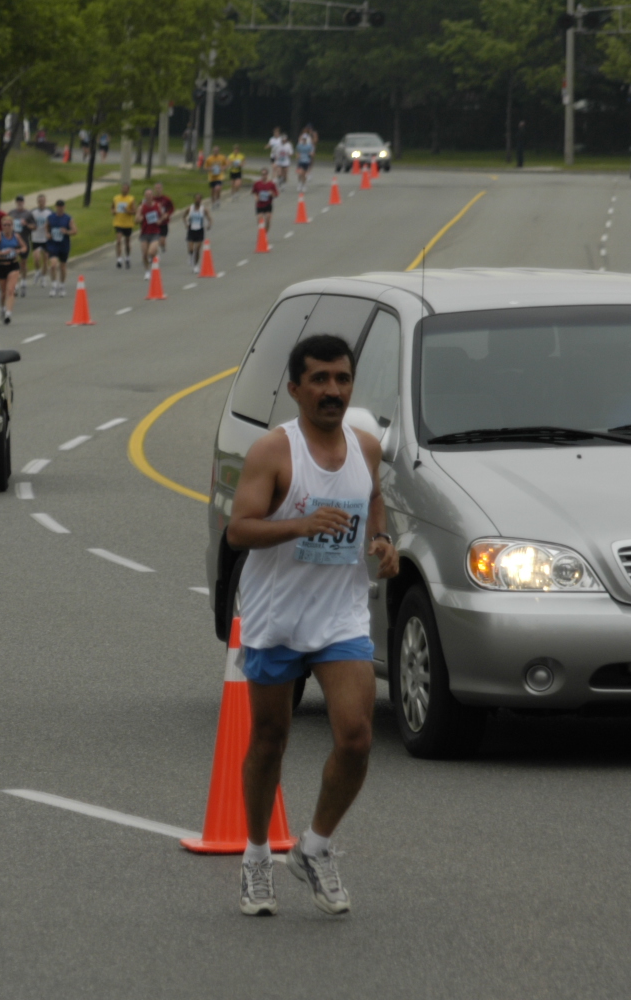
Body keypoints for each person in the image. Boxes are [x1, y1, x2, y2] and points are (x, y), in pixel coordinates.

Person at [224, 333, 399, 917]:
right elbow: (238, 530)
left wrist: (381, 539)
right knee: (271, 740)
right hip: (277, 613)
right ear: (296, 388)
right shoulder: (274, 452)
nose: (333, 391)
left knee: (356, 735)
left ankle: (315, 847)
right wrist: (298, 526)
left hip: (341, 614)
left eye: (342, 379)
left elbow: (372, 499)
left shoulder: (366, 447)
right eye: (320, 380)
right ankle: (254, 857)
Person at [0, 216, 26, 324]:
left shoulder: (16, 236)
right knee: (3, 292)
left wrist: (19, 251)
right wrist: (2, 253)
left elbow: (24, 247)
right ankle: (2, 308)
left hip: (13, 265)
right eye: (5, 225)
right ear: (2, 226)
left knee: (11, 290)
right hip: (1, 265)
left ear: (12, 226)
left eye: (9, 225)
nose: (7, 227)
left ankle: (8, 314)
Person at [44, 199, 77, 297]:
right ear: (56, 207)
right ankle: (54, 285)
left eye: (62, 206)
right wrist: (47, 234)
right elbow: (47, 227)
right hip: (53, 244)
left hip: (64, 244)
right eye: (58, 206)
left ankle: (62, 285)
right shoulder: (51, 217)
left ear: (64, 207)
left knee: (62, 266)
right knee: (53, 265)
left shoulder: (68, 218)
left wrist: (66, 232)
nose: (60, 208)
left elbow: (74, 231)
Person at [7, 196, 35, 296]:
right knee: (13, 262)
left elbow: (34, 226)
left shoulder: (28, 214)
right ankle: (15, 284)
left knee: (23, 262)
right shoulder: (11, 213)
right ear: (16, 202)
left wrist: (26, 224)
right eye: (18, 201)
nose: (20, 203)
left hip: (24, 240)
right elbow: (6, 224)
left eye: (21, 201)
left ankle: (23, 281)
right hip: (13, 241)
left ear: (23, 202)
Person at [183, 194, 212, 273]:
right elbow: (184, 216)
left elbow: (209, 218)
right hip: (191, 230)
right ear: (194, 200)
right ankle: (191, 256)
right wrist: (186, 224)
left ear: (201, 200)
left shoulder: (203, 209)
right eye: (196, 199)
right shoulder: (190, 208)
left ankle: (195, 265)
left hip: (200, 230)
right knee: (191, 249)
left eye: (199, 199)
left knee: (197, 249)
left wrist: (209, 224)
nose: (198, 200)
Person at [138, 188, 163, 279]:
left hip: (155, 232)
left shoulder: (157, 205)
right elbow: (137, 219)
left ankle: (155, 254)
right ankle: (147, 271)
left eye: (150, 195)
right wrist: (139, 219)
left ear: (152, 196)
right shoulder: (141, 207)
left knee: (151, 252)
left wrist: (160, 220)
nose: (148, 196)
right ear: (145, 196)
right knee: (144, 254)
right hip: (145, 233)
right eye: (147, 195)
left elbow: (162, 215)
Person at [110, 182, 136, 270]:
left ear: (128, 190)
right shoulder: (116, 198)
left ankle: (127, 257)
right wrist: (113, 211)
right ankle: (119, 259)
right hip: (118, 223)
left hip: (128, 223)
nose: (124, 190)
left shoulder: (131, 199)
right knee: (118, 241)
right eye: (123, 188)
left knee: (127, 242)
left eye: (125, 188)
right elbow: (112, 207)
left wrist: (127, 211)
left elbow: (134, 211)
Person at [29, 194, 53, 286]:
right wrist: (31, 226)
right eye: (40, 201)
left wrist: (50, 233)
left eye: (43, 201)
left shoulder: (49, 212)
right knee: (36, 258)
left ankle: (43, 277)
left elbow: (53, 223)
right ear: (37, 202)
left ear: (45, 201)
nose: (41, 203)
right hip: (36, 238)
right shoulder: (33, 212)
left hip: (46, 239)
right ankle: (37, 271)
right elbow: (29, 223)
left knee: (45, 259)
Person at [152, 182, 175, 255]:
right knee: (155, 240)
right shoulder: (152, 199)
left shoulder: (166, 199)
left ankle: (163, 246)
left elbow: (172, 208)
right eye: (156, 188)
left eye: (159, 188)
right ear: (154, 189)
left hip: (164, 223)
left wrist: (167, 214)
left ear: (162, 189)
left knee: (162, 240)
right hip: (155, 222)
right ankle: (154, 254)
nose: (158, 190)